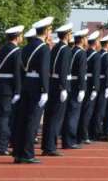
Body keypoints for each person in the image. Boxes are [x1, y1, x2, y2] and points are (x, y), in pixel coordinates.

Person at [14, 17, 53, 165]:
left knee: (22, 120)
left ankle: (18, 153)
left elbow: (20, 69)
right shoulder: (43, 48)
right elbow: (44, 70)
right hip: (37, 86)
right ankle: (27, 154)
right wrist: (45, 90)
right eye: (50, 30)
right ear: (47, 31)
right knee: (32, 121)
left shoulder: (26, 47)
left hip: (26, 84)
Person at [0, 24, 24, 157]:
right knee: (4, 118)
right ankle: (1, 146)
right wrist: (18, 90)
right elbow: (17, 73)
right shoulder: (16, 51)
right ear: (17, 37)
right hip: (8, 88)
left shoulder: (1, 49)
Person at [42, 23, 73, 157]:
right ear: (66, 35)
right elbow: (63, 70)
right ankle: (50, 147)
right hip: (59, 85)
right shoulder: (65, 49)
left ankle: (46, 145)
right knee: (56, 118)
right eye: (70, 33)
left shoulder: (55, 48)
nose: (71, 36)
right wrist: (63, 87)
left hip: (53, 83)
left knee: (50, 117)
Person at [63, 29, 88, 149]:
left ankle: (66, 139)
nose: (87, 40)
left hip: (70, 83)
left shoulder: (71, 50)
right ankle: (70, 141)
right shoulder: (81, 53)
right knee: (73, 114)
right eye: (85, 38)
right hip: (77, 85)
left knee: (69, 113)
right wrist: (82, 88)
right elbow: (82, 73)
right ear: (82, 40)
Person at [78, 31, 101, 144]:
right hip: (91, 84)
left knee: (82, 110)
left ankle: (80, 133)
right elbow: (96, 73)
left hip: (84, 83)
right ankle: (84, 134)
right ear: (95, 42)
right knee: (87, 111)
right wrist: (95, 88)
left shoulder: (85, 53)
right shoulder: (95, 55)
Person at [92, 34, 108, 141]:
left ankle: (93, 131)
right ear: (107, 44)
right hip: (104, 84)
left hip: (97, 83)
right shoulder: (107, 56)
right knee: (100, 110)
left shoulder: (98, 54)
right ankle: (97, 133)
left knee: (96, 109)